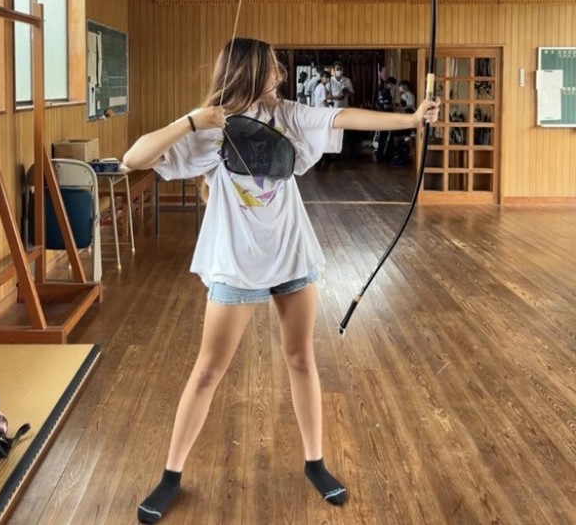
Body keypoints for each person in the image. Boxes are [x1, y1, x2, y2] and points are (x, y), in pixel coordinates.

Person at [123, 38, 440, 524]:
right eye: (272, 67)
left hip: (292, 256)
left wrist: (411, 120)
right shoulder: (211, 123)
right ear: (249, 70)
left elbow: (342, 118)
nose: (280, 74)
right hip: (237, 263)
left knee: (301, 359)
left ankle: (316, 462)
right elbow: (133, 159)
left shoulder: (287, 114)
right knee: (208, 370)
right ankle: (170, 476)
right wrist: (191, 122)